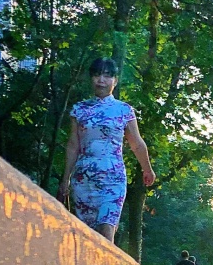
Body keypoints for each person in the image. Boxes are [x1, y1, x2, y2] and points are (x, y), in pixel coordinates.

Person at [58, 58, 155, 243]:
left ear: (115, 81)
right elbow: (73, 146)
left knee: (106, 231)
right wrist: (65, 180)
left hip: (113, 177)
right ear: (91, 79)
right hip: (83, 179)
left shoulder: (123, 110)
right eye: (96, 75)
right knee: (85, 237)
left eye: (106, 76)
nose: (101, 80)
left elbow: (137, 143)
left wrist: (147, 169)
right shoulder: (79, 109)